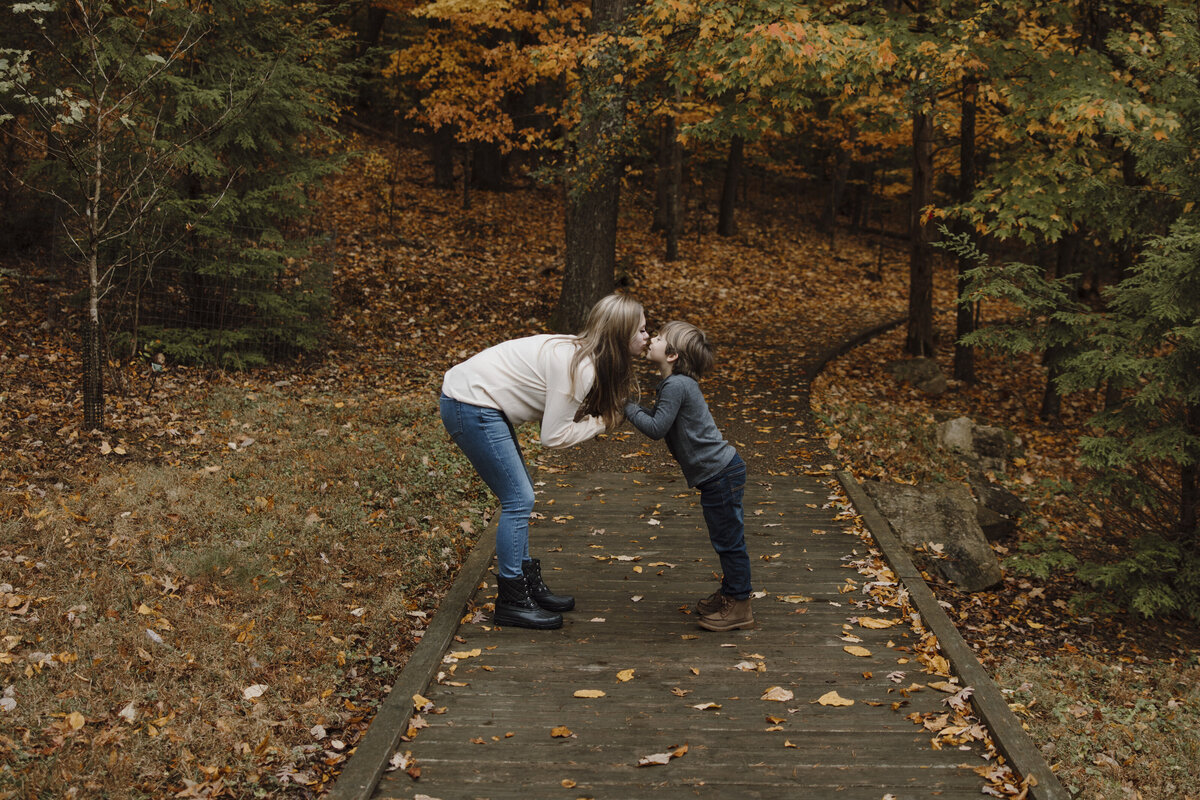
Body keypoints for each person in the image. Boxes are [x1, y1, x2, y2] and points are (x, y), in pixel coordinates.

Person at [440, 294, 649, 630]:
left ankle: (525, 585)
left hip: (478, 401)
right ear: (621, 336)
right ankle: (512, 600)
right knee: (518, 499)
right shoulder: (580, 367)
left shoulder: (580, 353)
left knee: (519, 496)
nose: (647, 337)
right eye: (641, 330)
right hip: (470, 403)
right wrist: (602, 422)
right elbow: (552, 436)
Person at [623, 321, 753, 631]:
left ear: (671, 355)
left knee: (729, 541)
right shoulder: (676, 384)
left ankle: (740, 605)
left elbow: (656, 428)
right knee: (725, 538)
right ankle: (730, 594)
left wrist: (623, 404)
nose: (650, 339)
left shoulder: (677, 385)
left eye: (657, 337)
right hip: (718, 472)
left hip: (720, 472)